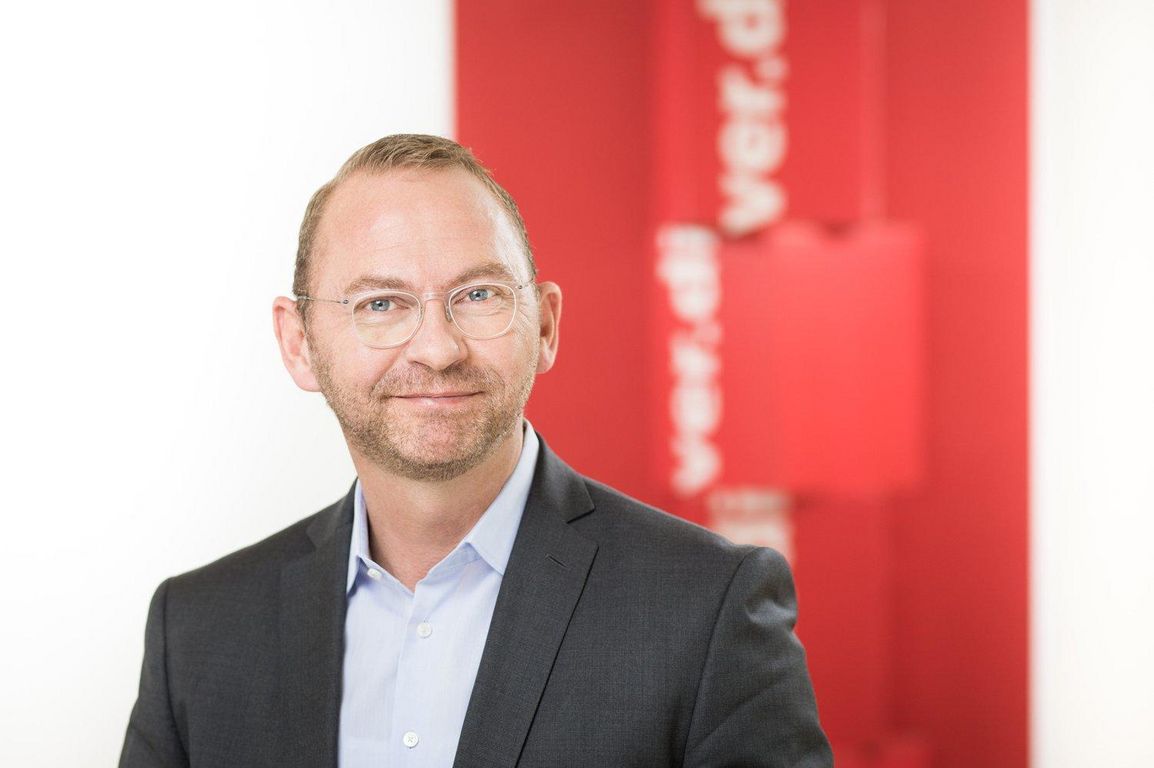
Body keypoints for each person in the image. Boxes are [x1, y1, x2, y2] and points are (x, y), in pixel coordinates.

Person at [119, 134, 832, 768]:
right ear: (298, 344)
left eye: (479, 295)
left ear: (544, 325)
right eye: (380, 304)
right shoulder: (199, 630)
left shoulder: (708, 608)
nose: (437, 349)